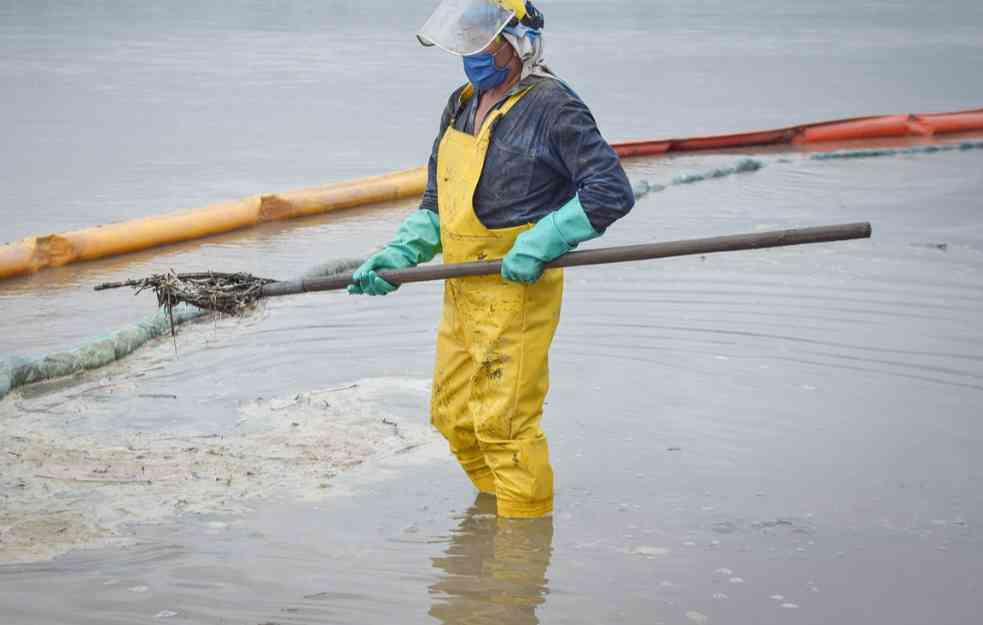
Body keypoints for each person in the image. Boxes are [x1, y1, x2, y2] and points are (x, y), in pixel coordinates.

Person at [349, 0, 634, 518]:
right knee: (452, 416)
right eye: (466, 40)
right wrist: (397, 254)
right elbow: (438, 203)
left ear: (518, 41)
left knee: (504, 427)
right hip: (463, 289)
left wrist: (543, 241)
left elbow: (609, 191)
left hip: (516, 289)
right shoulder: (461, 103)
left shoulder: (554, 106)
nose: (472, 53)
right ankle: (495, 516)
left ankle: (520, 555)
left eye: (484, 40)